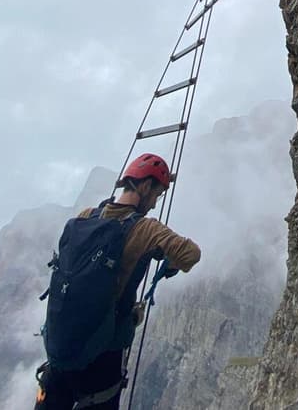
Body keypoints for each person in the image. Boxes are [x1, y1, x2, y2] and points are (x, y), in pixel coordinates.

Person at [35, 153, 201, 409]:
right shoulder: (146, 229)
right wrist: (168, 261)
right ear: (145, 186)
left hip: (61, 353)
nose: (155, 203)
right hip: (102, 363)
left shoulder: (85, 217)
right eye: (157, 194)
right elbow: (191, 254)